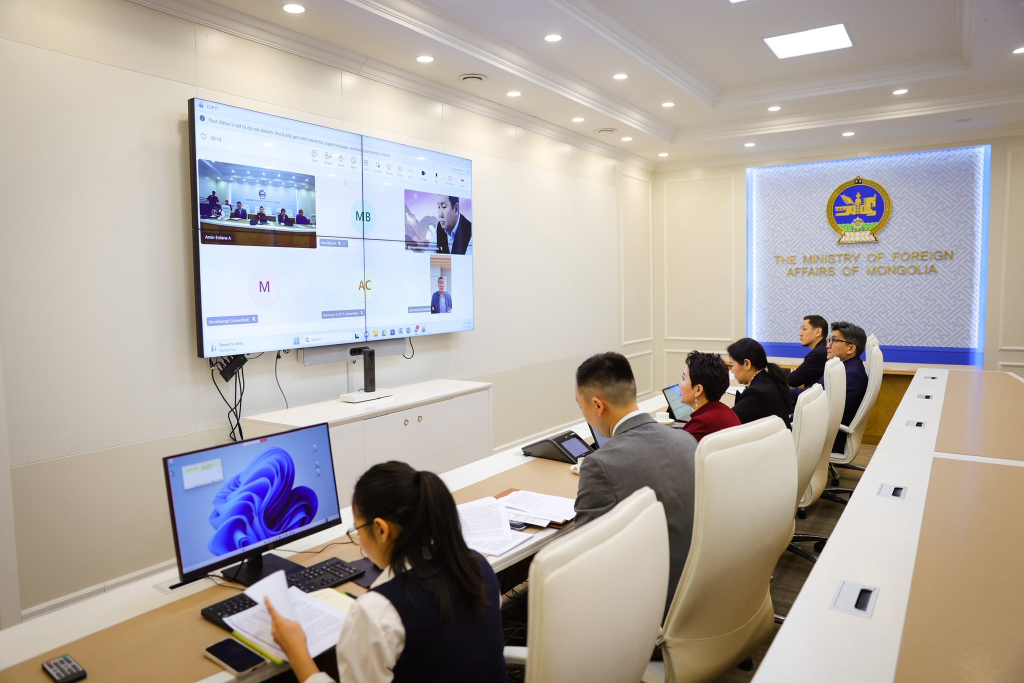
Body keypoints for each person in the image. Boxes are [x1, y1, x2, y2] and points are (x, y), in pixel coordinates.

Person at [265, 462, 507, 683]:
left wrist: (297, 652)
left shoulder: (377, 611)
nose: (359, 538)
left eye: (358, 529)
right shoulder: (477, 565)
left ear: (382, 530)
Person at [574, 352, 697, 615]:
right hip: (697, 591)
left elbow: (582, 558)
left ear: (598, 405)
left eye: (580, 406)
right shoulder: (687, 440)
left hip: (647, 608)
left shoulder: (600, 464)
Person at [820, 321, 868, 454]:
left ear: (851, 349)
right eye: (829, 340)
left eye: (834, 340)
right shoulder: (846, 367)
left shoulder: (850, 375)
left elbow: (823, 406)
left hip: (829, 439)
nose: (828, 345)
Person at [727, 338, 793, 429]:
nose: (732, 370)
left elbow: (728, 421)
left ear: (747, 364)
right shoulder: (770, 379)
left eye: (732, 365)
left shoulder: (757, 393)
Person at [679, 350, 740, 443]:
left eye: (683, 378)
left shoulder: (701, 424)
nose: (680, 384)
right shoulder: (726, 411)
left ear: (698, 390)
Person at [789, 315, 828, 396]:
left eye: (804, 329)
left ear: (817, 332)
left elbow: (792, 380)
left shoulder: (818, 354)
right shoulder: (823, 349)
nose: (800, 334)